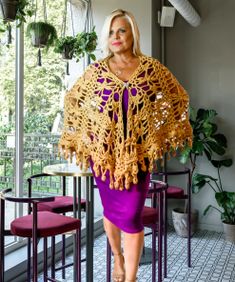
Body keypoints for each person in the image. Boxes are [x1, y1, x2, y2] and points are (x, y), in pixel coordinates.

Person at [59, 9, 192, 282]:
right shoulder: (96, 71)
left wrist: (157, 137)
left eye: (122, 30)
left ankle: (129, 278)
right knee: (111, 210)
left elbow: (177, 99)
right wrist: (89, 137)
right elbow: (74, 101)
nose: (116, 37)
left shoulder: (151, 69)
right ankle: (117, 258)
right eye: (111, 32)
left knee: (131, 217)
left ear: (133, 34)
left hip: (137, 158)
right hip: (105, 156)